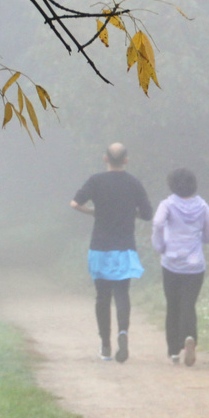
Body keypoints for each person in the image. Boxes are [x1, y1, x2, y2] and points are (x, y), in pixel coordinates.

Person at [71, 142, 152, 362]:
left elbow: (74, 203)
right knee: (122, 293)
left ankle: (105, 345)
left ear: (105, 158)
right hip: (124, 247)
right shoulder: (134, 183)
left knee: (102, 297)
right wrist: (129, 213)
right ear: (126, 160)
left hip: (100, 247)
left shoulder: (95, 181)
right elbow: (147, 214)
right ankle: (123, 333)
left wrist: (92, 212)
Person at [152, 167, 209, 366]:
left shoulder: (167, 204)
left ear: (171, 185)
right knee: (188, 304)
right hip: (195, 265)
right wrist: (199, 240)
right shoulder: (203, 206)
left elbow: (158, 222)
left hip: (171, 263)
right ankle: (189, 337)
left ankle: (173, 350)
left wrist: (160, 245)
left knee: (173, 305)